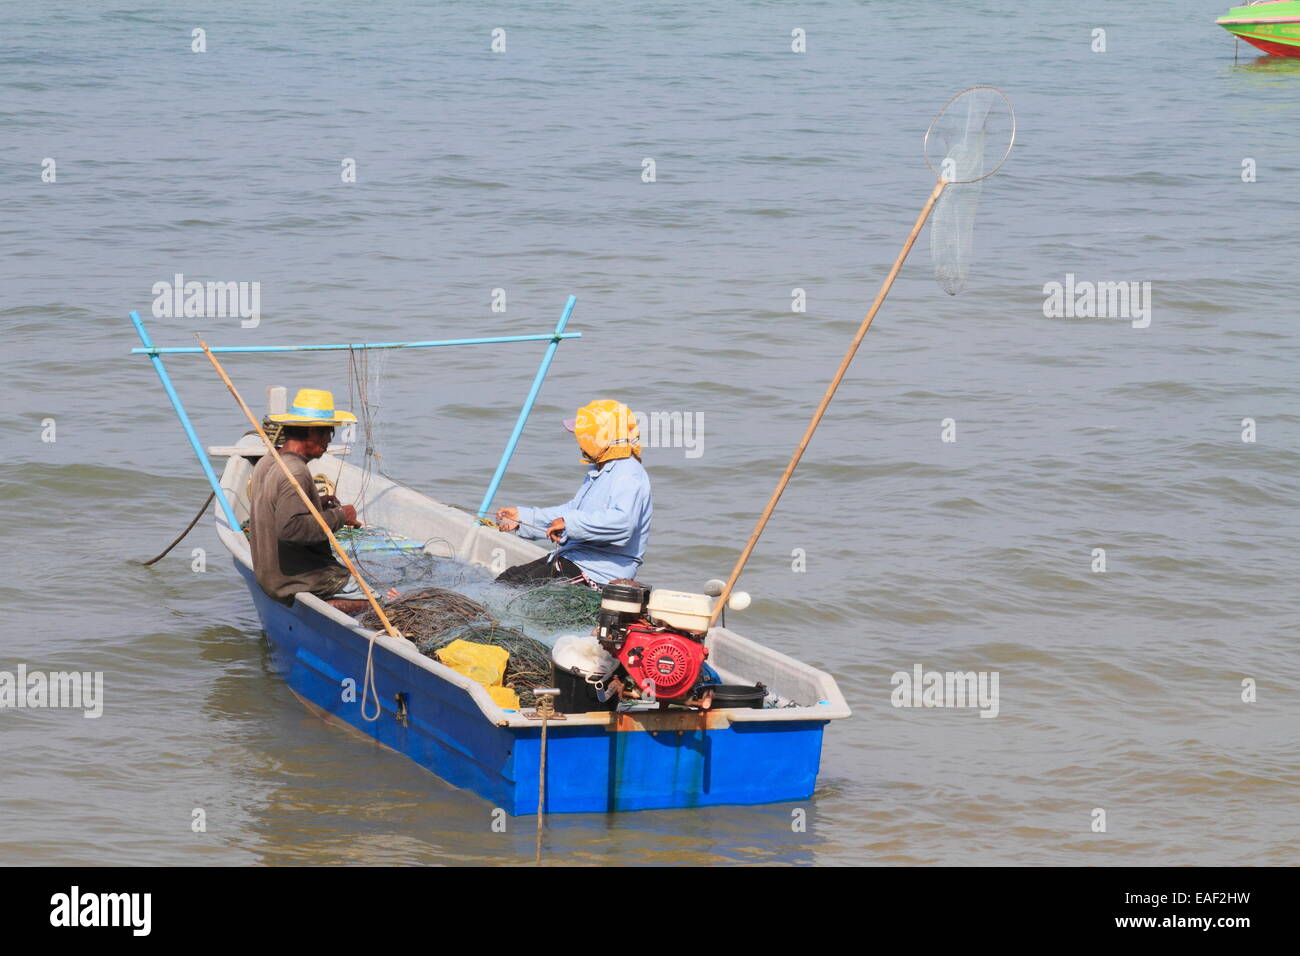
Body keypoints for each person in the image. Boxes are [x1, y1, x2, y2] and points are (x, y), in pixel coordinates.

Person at [495, 399, 652, 587]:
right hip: (574, 557)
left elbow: (622, 523)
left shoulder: (628, 473)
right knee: (508, 578)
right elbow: (571, 510)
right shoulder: (600, 468)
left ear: (601, 437)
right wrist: (523, 518)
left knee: (518, 589)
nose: (579, 442)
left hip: (599, 572)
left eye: (584, 435)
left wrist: (570, 524)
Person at [248, 388, 365, 612]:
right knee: (379, 600)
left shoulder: (269, 461)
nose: (329, 441)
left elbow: (273, 509)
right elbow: (292, 530)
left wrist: (316, 505)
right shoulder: (296, 471)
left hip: (268, 576)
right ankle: (330, 607)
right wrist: (342, 516)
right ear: (312, 431)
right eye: (328, 433)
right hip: (292, 580)